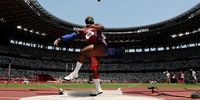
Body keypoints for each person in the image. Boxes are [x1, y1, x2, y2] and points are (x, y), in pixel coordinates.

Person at [53, 16, 107, 96]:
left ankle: (75, 73)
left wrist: (92, 27)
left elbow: (102, 27)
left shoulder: (95, 26)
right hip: (96, 50)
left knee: (82, 53)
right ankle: (98, 89)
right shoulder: (83, 30)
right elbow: (71, 35)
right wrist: (60, 39)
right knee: (95, 70)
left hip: (100, 47)